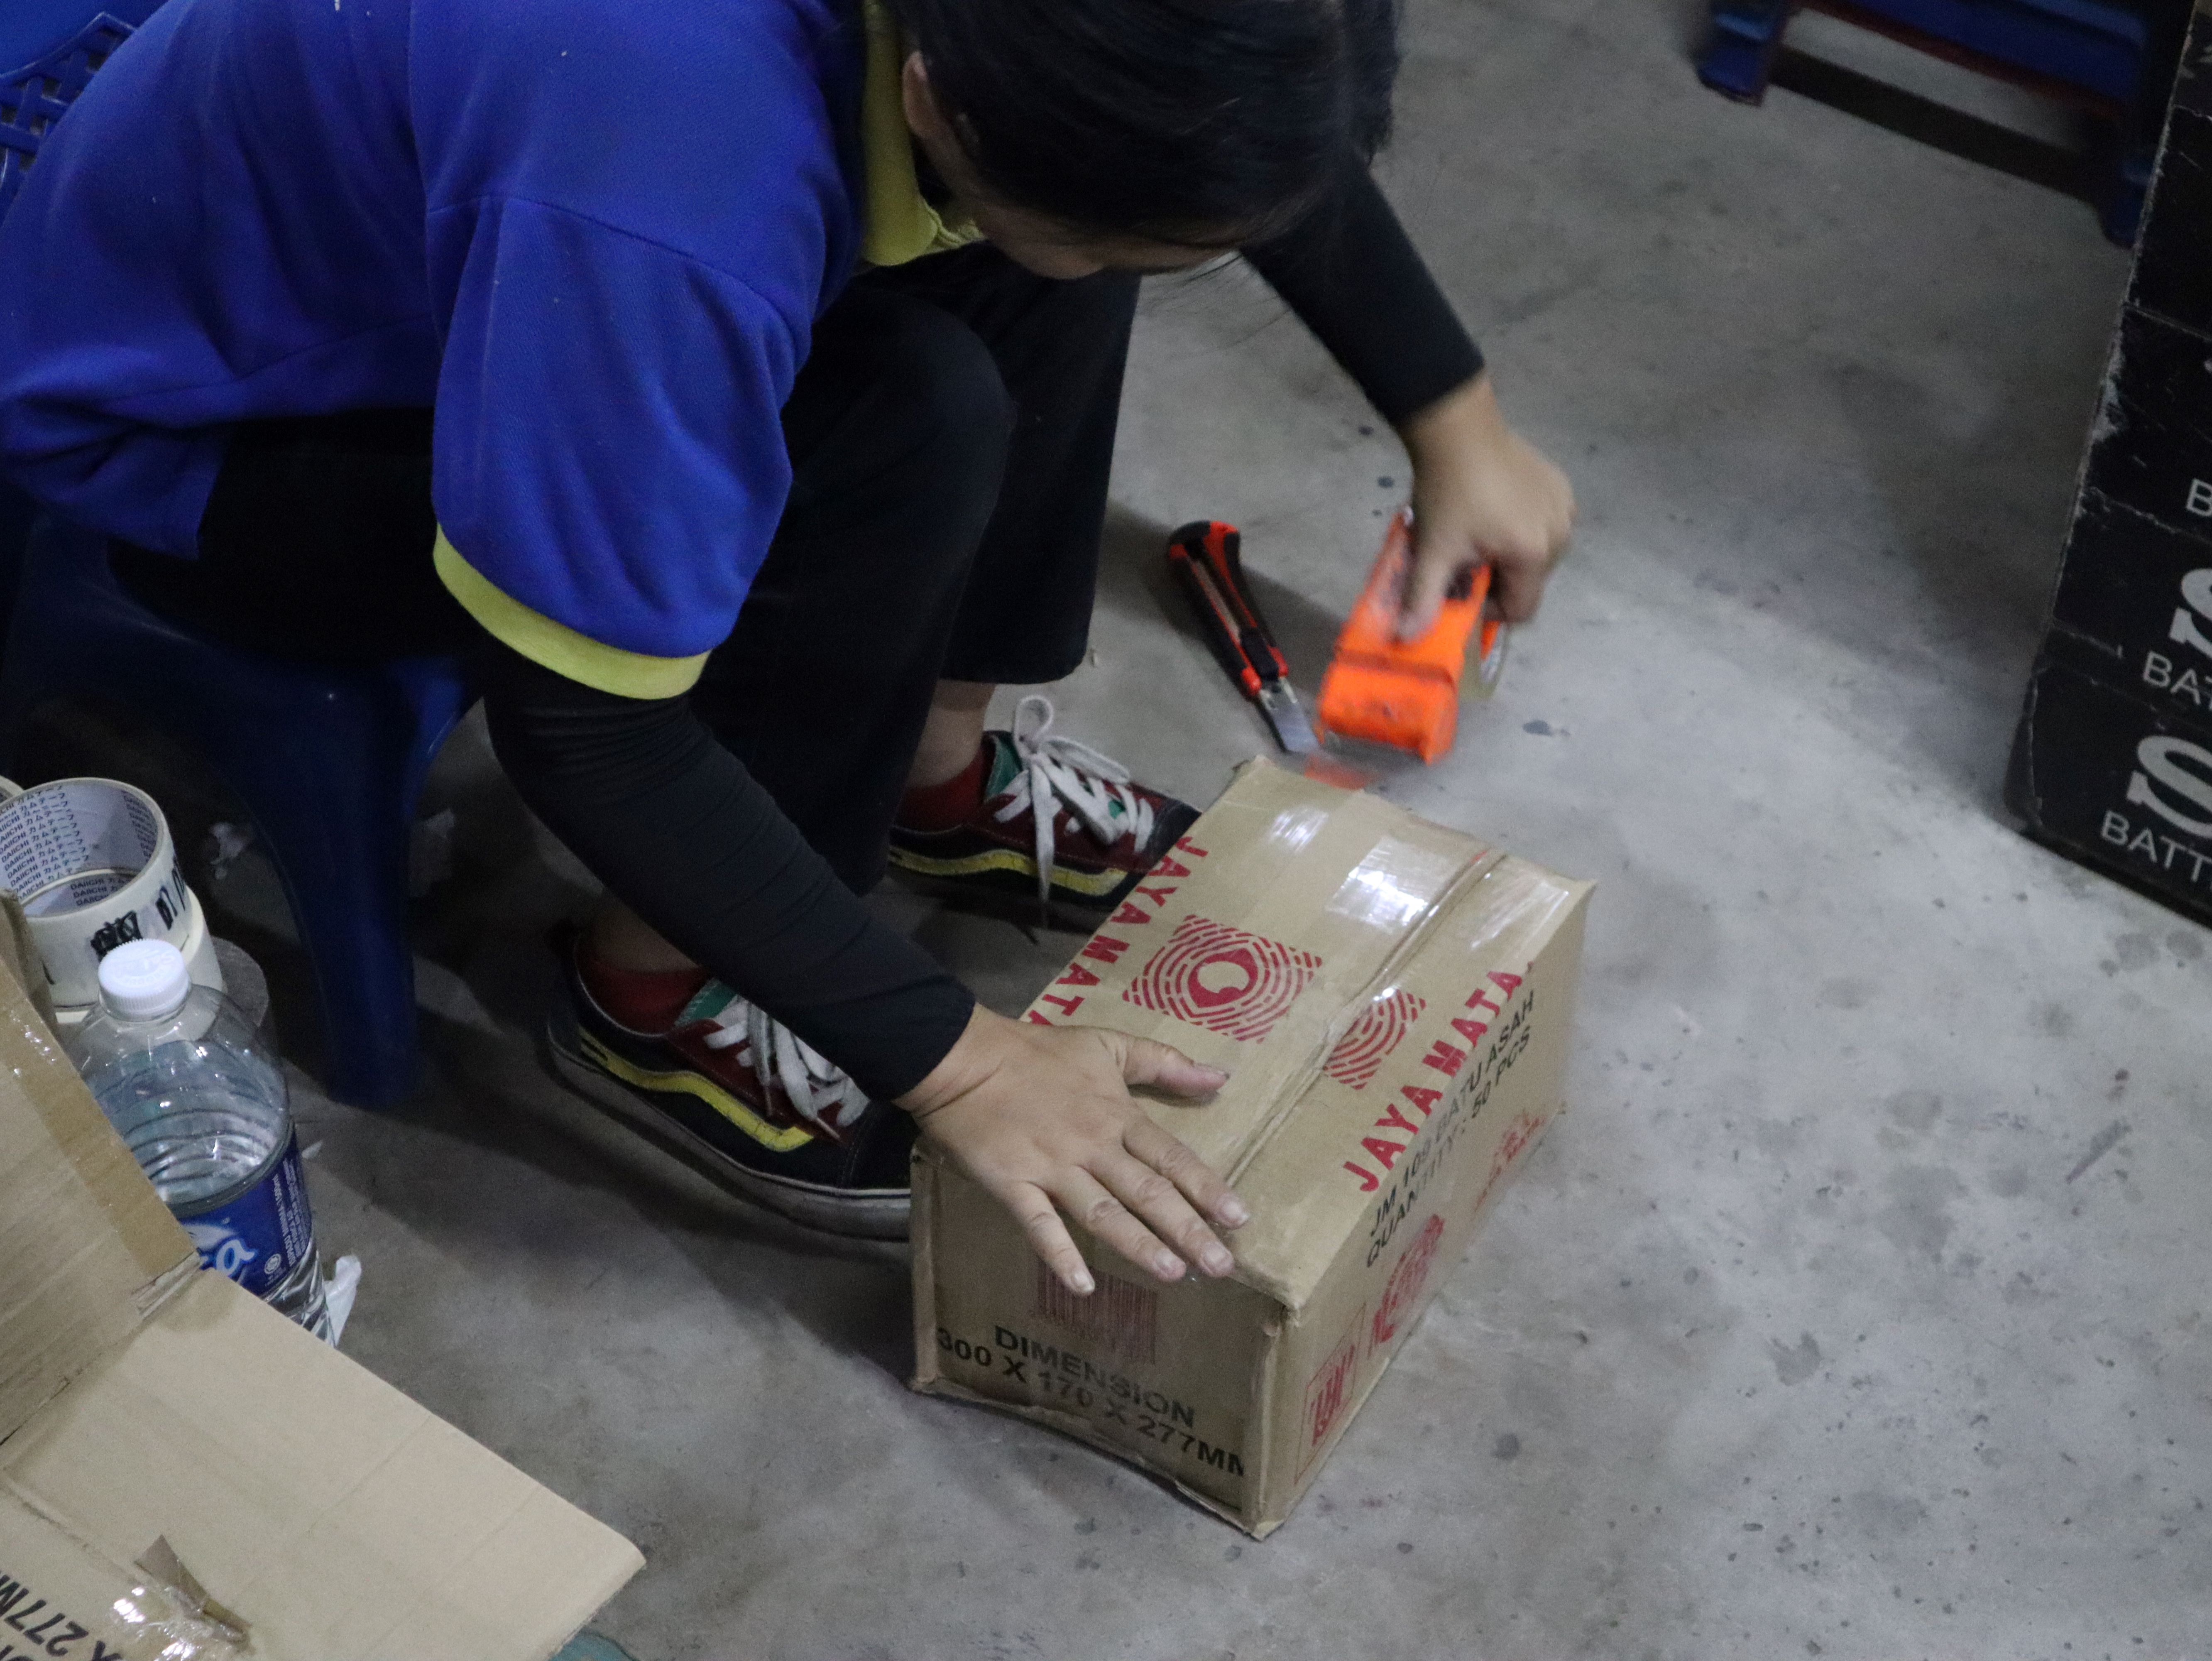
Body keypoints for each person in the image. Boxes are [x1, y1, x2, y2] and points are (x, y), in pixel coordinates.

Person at [0, 0, 1573, 1294]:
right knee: (908, 416)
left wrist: (1455, 416)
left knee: (1052, 255)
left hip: (431, 231)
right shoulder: (671, 197)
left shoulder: (1000, 54)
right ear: (935, 95)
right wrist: (963, 1066)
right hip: (211, 435)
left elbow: (1216, 79)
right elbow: (589, 733)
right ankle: (652, 998)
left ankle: (934, 778)